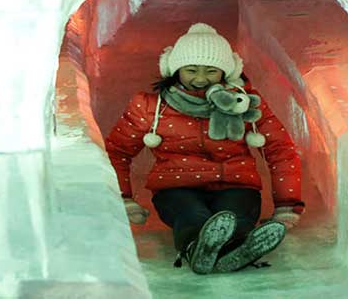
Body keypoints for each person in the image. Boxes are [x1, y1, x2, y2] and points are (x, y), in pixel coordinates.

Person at [104, 23, 305, 274]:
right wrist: (123, 198)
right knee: (190, 216)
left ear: (225, 72)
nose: (200, 79)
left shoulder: (246, 105)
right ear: (174, 70)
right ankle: (195, 247)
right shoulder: (150, 107)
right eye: (191, 70)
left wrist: (287, 203)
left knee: (235, 216)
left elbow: (280, 149)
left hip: (237, 185)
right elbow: (118, 151)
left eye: (210, 71)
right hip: (176, 188)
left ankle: (237, 247)